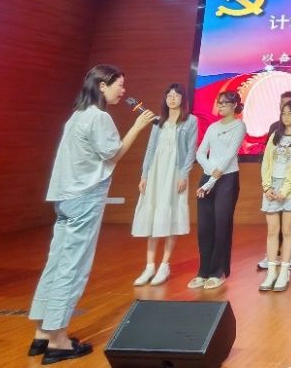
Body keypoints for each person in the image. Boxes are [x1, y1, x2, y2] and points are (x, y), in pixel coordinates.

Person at [29, 65, 155, 364]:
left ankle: (42, 334)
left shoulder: (78, 115)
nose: (123, 91)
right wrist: (137, 127)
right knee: (73, 267)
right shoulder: (99, 117)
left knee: (56, 263)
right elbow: (114, 154)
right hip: (84, 198)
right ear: (102, 85)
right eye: (119, 85)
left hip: (64, 197)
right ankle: (58, 341)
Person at [131, 83, 198, 287]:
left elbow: (190, 151)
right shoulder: (158, 121)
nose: (172, 98)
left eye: (176, 95)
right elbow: (150, 149)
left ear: (183, 99)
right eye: (169, 95)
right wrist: (144, 175)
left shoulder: (191, 121)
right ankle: (149, 266)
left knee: (170, 214)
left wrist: (184, 175)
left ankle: (164, 265)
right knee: (153, 215)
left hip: (175, 172)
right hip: (156, 172)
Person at [188, 91, 246, 290]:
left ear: (234, 105)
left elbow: (229, 155)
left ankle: (217, 272)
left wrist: (213, 178)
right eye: (218, 102)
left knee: (222, 225)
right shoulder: (213, 127)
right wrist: (210, 171)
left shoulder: (239, 126)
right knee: (204, 227)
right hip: (209, 176)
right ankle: (203, 271)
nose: (220, 106)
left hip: (227, 178)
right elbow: (200, 152)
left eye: (224, 103)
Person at [259, 100, 291, 291]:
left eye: (290, 113)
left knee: (288, 231)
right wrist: (267, 187)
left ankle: (284, 271)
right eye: (283, 113)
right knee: (272, 231)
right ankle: (271, 272)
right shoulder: (275, 135)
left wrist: (285, 190)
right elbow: (266, 162)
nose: (286, 117)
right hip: (272, 188)